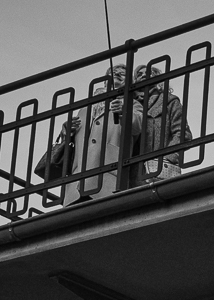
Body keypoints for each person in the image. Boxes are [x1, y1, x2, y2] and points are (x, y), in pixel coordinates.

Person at [36, 63, 186, 206]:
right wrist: (66, 130)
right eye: (113, 74)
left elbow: (138, 126)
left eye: (122, 74)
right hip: (76, 186)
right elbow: (74, 142)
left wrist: (124, 112)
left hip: (108, 182)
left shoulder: (134, 103)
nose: (117, 76)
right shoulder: (86, 108)